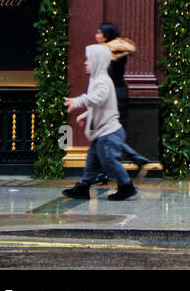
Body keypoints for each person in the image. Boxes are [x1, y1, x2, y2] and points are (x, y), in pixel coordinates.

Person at [62, 44, 141, 201]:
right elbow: (99, 105)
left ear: (97, 62)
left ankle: (126, 186)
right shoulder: (97, 80)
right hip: (102, 132)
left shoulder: (103, 82)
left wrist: (77, 102)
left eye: (88, 60)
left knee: (109, 161)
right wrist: (85, 115)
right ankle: (84, 186)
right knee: (92, 160)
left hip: (108, 133)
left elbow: (96, 99)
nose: (85, 63)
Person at [89, 22, 150, 183]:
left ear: (106, 36)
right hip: (115, 93)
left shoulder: (110, 52)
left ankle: (132, 162)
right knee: (106, 133)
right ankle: (103, 171)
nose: (96, 35)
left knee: (107, 133)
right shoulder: (114, 51)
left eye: (98, 33)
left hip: (112, 95)